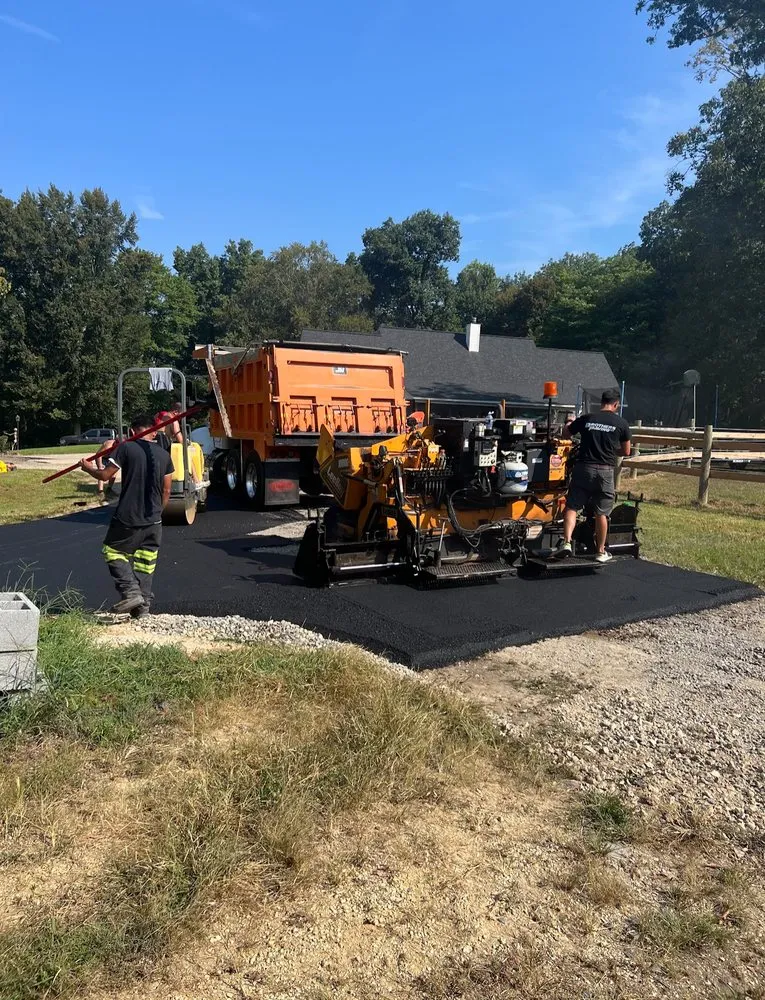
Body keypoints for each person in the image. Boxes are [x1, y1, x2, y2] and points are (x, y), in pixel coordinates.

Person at [80, 415, 173, 617]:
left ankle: (131, 592)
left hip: (129, 516)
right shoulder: (165, 455)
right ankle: (142, 609)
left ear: (132, 432)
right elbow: (167, 491)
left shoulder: (126, 448)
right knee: (146, 562)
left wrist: (87, 468)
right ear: (154, 433)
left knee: (112, 551)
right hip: (154, 520)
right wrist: (158, 512)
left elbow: (106, 475)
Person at [555, 389, 631, 564]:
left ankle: (566, 543)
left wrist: (569, 422)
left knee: (572, 507)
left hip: (583, 469)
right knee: (601, 513)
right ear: (616, 404)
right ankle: (600, 551)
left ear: (601, 402)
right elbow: (626, 451)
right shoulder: (621, 423)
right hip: (605, 471)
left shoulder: (588, 419)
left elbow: (566, 433)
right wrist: (611, 450)